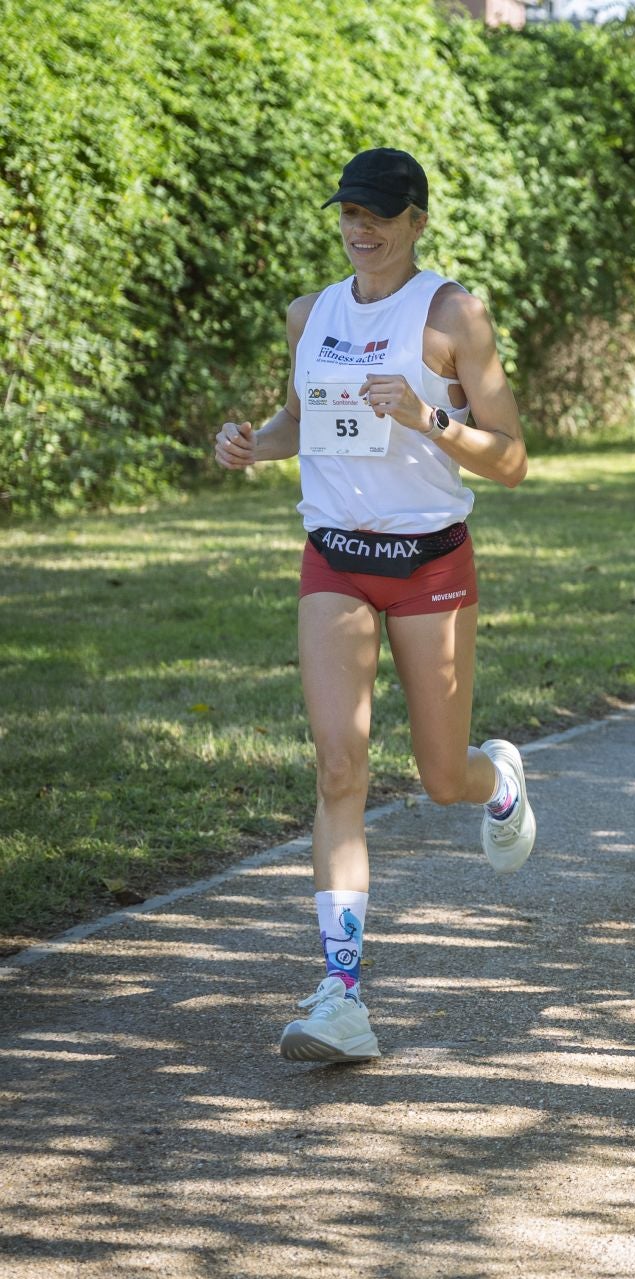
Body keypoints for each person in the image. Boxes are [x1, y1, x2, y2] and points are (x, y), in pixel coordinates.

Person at [210, 148, 536, 1063]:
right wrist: (252, 444)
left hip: (431, 563)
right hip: (336, 562)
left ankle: (498, 776)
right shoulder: (308, 314)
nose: (361, 228)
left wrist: (429, 417)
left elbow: (512, 458)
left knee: (439, 777)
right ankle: (341, 994)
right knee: (338, 767)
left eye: (380, 214)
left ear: (417, 220)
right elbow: (300, 422)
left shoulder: (451, 314)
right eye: (349, 212)